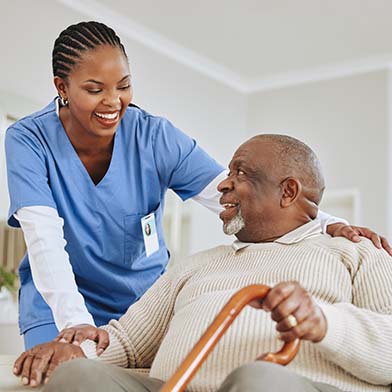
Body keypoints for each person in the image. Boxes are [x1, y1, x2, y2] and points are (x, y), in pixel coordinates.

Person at [5, 21, 389, 351]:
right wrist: (74, 322)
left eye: (123, 86)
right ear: (62, 86)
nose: (113, 101)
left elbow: (238, 195)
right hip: (58, 304)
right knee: (64, 377)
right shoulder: (28, 140)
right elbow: (44, 240)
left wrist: (324, 222)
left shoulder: (154, 137)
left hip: (142, 307)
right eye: (94, 89)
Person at [14, 135, 392, 391]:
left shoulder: (356, 252)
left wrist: (326, 323)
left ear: (288, 191)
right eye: (228, 173)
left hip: (281, 386)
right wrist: (75, 351)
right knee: (77, 376)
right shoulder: (197, 265)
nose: (223, 185)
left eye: (239, 173)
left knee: (261, 379)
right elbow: (128, 343)